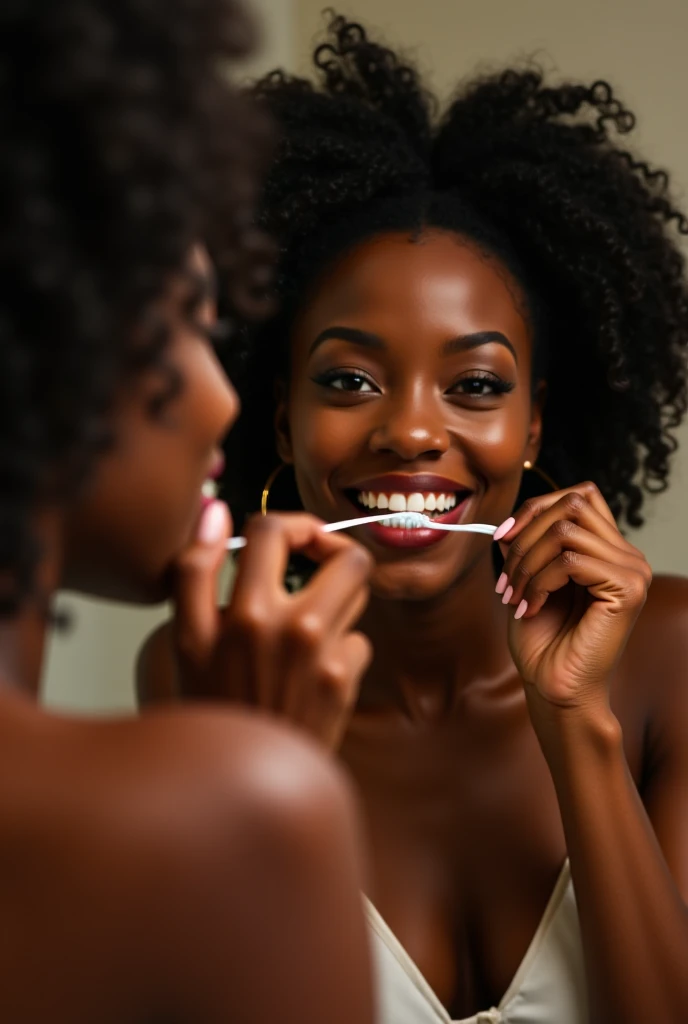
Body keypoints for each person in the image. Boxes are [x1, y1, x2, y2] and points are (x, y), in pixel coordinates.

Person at [142, 13, 688, 1023]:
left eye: (474, 386)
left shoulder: (671, 654)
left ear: (533, 427)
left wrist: (576, 724)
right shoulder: (197, 669)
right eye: (348, 379)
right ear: (280, 418)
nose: (408, 432)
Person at [0, 3, 377, 1023]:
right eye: (194, 325)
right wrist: (263, 782)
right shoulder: (244, 806)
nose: (223, 399)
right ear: (55, 327)